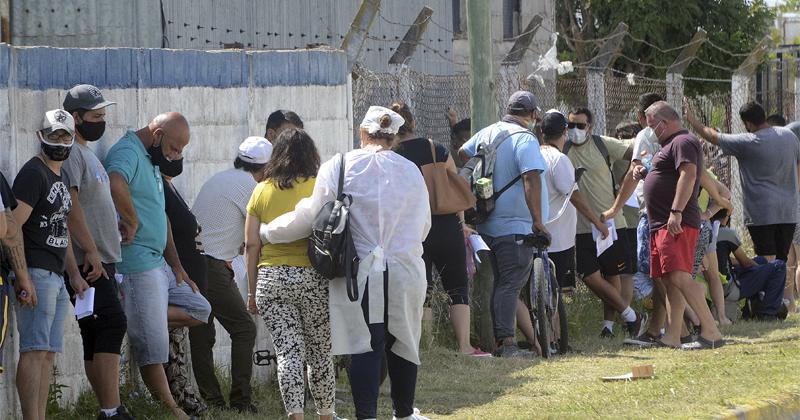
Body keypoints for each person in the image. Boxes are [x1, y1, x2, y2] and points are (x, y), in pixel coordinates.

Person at [263, 106, 431, 420]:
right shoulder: (411, 170)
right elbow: (424, 226)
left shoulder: (339, 165)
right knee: (404, 340)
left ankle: (366, 415)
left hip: (359, 273)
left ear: (362, 132)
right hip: (405, 269)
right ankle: (404, 413)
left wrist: (268, 231)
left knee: (364, 344)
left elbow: (315, 216)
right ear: (393, 137)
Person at [105, 112, 211, 419]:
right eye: (174, 149)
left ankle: (140, 315)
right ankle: (171, 408)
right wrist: (132, 219)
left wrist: (177, 266)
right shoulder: (128, 151)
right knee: (153, 346)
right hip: (138, 262)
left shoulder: (152, 160)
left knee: (199, 308)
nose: (176, 156)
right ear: (158, 133)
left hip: (160, 264)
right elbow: (114, 181)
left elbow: (161, 214)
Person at [244, 128, 336, 419]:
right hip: (313, 278)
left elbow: (251, 245)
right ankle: (325, 414)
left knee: (288, 352)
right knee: (320, 351)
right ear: (312, 154)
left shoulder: (261, 189)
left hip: (272, 280)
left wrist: (251, 291)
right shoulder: (318, 186)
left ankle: (295, 416)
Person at [392, 101, 489, 357]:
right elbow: (453, 185)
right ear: (413, 123)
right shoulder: (436, 148)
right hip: (446, 223)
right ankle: (464, 346)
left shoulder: (393, 155)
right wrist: (462, 223)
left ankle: (425, 347)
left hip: (413, 227)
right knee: (457, 287)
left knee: (423, 289)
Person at [457, 91, 549, 358]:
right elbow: (531, 178)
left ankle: (505, 340)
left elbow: (464, 152)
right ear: (532, 115)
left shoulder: (488, 133)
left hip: (486, 225)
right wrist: (537, 221)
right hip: (516, 227)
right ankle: (506, 344)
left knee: (502, 283)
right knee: (509, 284)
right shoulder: (525, 139)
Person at [60, 85, 132, 420]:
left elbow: (91, 202)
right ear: (76, 118)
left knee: (95, 330)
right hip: (89, 260)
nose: (102, 121)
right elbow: (70, 204)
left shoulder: (87, 151)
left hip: (102, 255)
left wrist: (112, 225)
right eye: (96, 116)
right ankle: (111, 410)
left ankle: (109, 408)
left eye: (104, 115)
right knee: (112, 324)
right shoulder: (72, 151)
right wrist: (89, 249)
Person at [190, 137, 270, 413]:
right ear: (265, 169)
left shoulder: (222, 177)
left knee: (201, 335)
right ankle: (240, 402)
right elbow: (260, 236)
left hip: (193, 264)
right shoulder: (251, 188)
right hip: (211, 266)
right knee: (244, 329)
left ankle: (211, 402)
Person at [12, 110, 81, 420]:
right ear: (41, 136)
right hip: (35, 272)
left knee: (48, 353)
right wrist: (23, 275)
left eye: (65, 136)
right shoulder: (33, 174)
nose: (60, 142)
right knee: (34, 349)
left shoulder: (60, 176)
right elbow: (12, 228)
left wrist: (75, 274)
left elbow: (60, 228)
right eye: (54, 135)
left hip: (55, 275)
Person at [641, 101, 724, 349]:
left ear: (664, 123)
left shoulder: (683, 142)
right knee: (670, 279)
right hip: (661, 223)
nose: (651, 131)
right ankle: (673, 336)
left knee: (679, 275)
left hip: (676, 222)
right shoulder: (669, 145)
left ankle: (711, 332)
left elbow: (688, 174)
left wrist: (676, 211)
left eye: (652, 126)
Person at [686, 101, 800, 263]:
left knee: (766, 260)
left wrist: (691, 118)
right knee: (781, 261)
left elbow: (711, 136)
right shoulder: (789, 136)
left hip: (762, 214)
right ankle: (776, 289)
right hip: (788, 212)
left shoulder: (747, 142)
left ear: (747, 123)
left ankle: (766, 289)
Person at [564, 107, 641, 338]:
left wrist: (628, 180)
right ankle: (631, 316)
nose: (574, 130)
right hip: (581, 227)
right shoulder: (563, 148)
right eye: (571, 125)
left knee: (612, 275)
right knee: (589, 276)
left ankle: (609, 326)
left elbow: (635, 154)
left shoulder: (602, 143)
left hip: (611, 223)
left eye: (580, 125)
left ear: (590, 127)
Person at [163, 171, 208, 416]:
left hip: (186, 281)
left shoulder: (171, 187)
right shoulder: (160, 188)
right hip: (175, 281)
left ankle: (184, 398)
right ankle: (178, 402)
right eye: (173, 149)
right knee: (173, 352)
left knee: (179, 349)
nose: (177, 156)